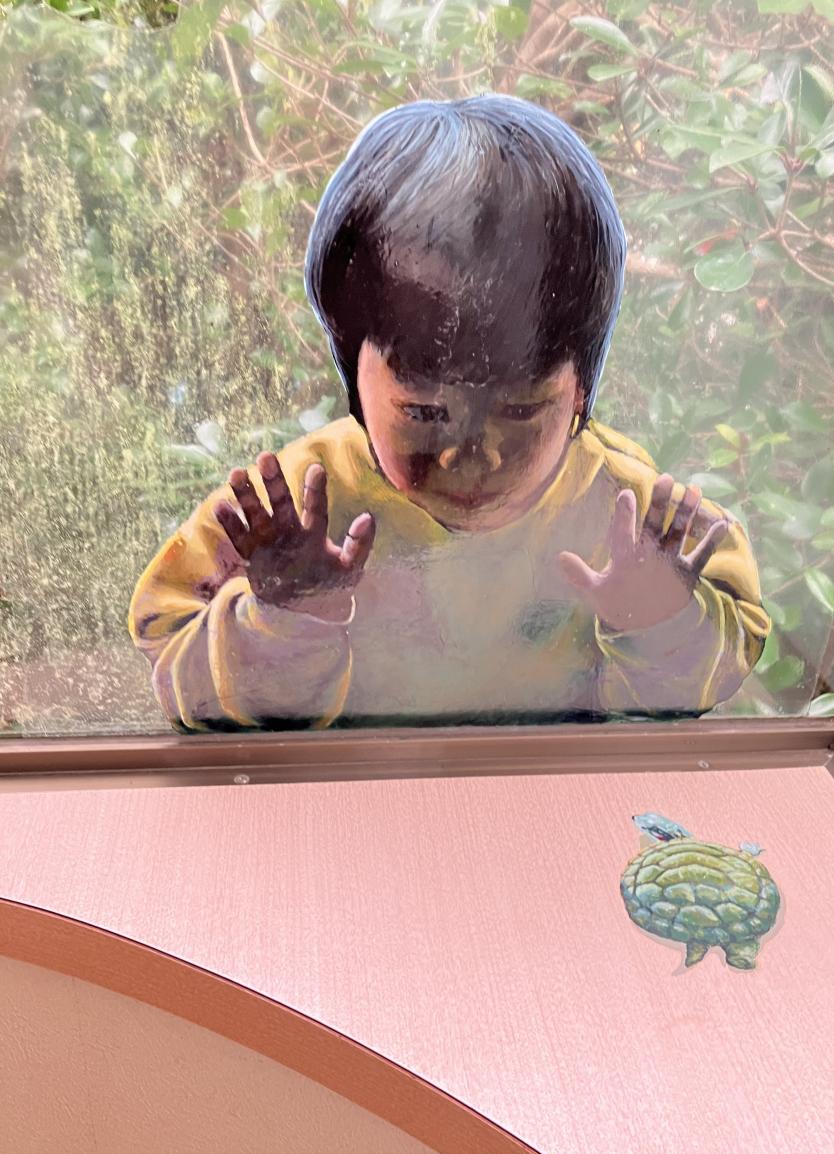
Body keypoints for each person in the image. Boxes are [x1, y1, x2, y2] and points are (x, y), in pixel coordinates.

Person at [129, 94, 769, 732]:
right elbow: (169, 643)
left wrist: (659, 618)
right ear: (354, 374)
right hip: (353, 784)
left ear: (580, 392)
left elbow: (727, 655)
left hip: (556, 782)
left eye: (520, 408)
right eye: (426, 412)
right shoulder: (294, 510)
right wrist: (285, 617)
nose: (473, 453)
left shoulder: (635, 519)